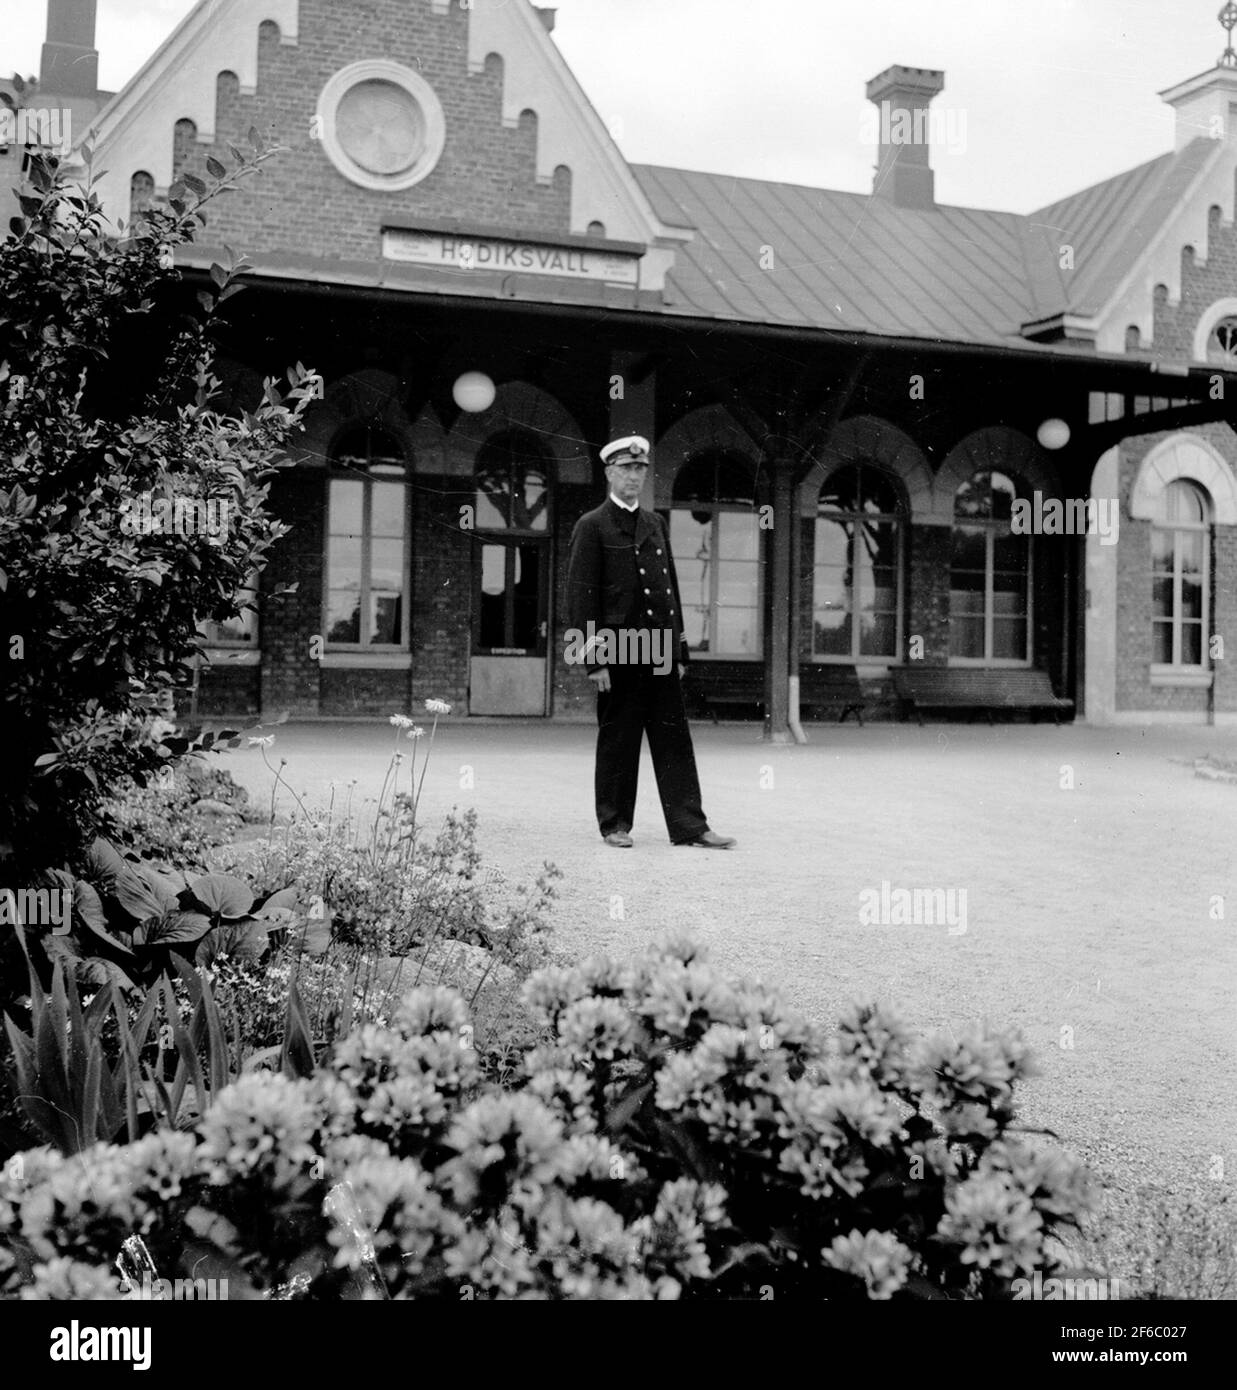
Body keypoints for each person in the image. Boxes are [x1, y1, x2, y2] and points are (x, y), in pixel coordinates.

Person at [565, 434, 736, 849]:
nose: (633, 476)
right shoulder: (592, 525)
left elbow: (670, 592)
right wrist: (594, 660)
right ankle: (615, 824)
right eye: (626, 468)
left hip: (658, 650)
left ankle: (691, 826)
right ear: (609, 472)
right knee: (619, 740)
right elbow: (581, 596)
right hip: (617, 650)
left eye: (640, 469)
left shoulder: (655, 523)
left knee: (674, 738)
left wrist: (679, 652)